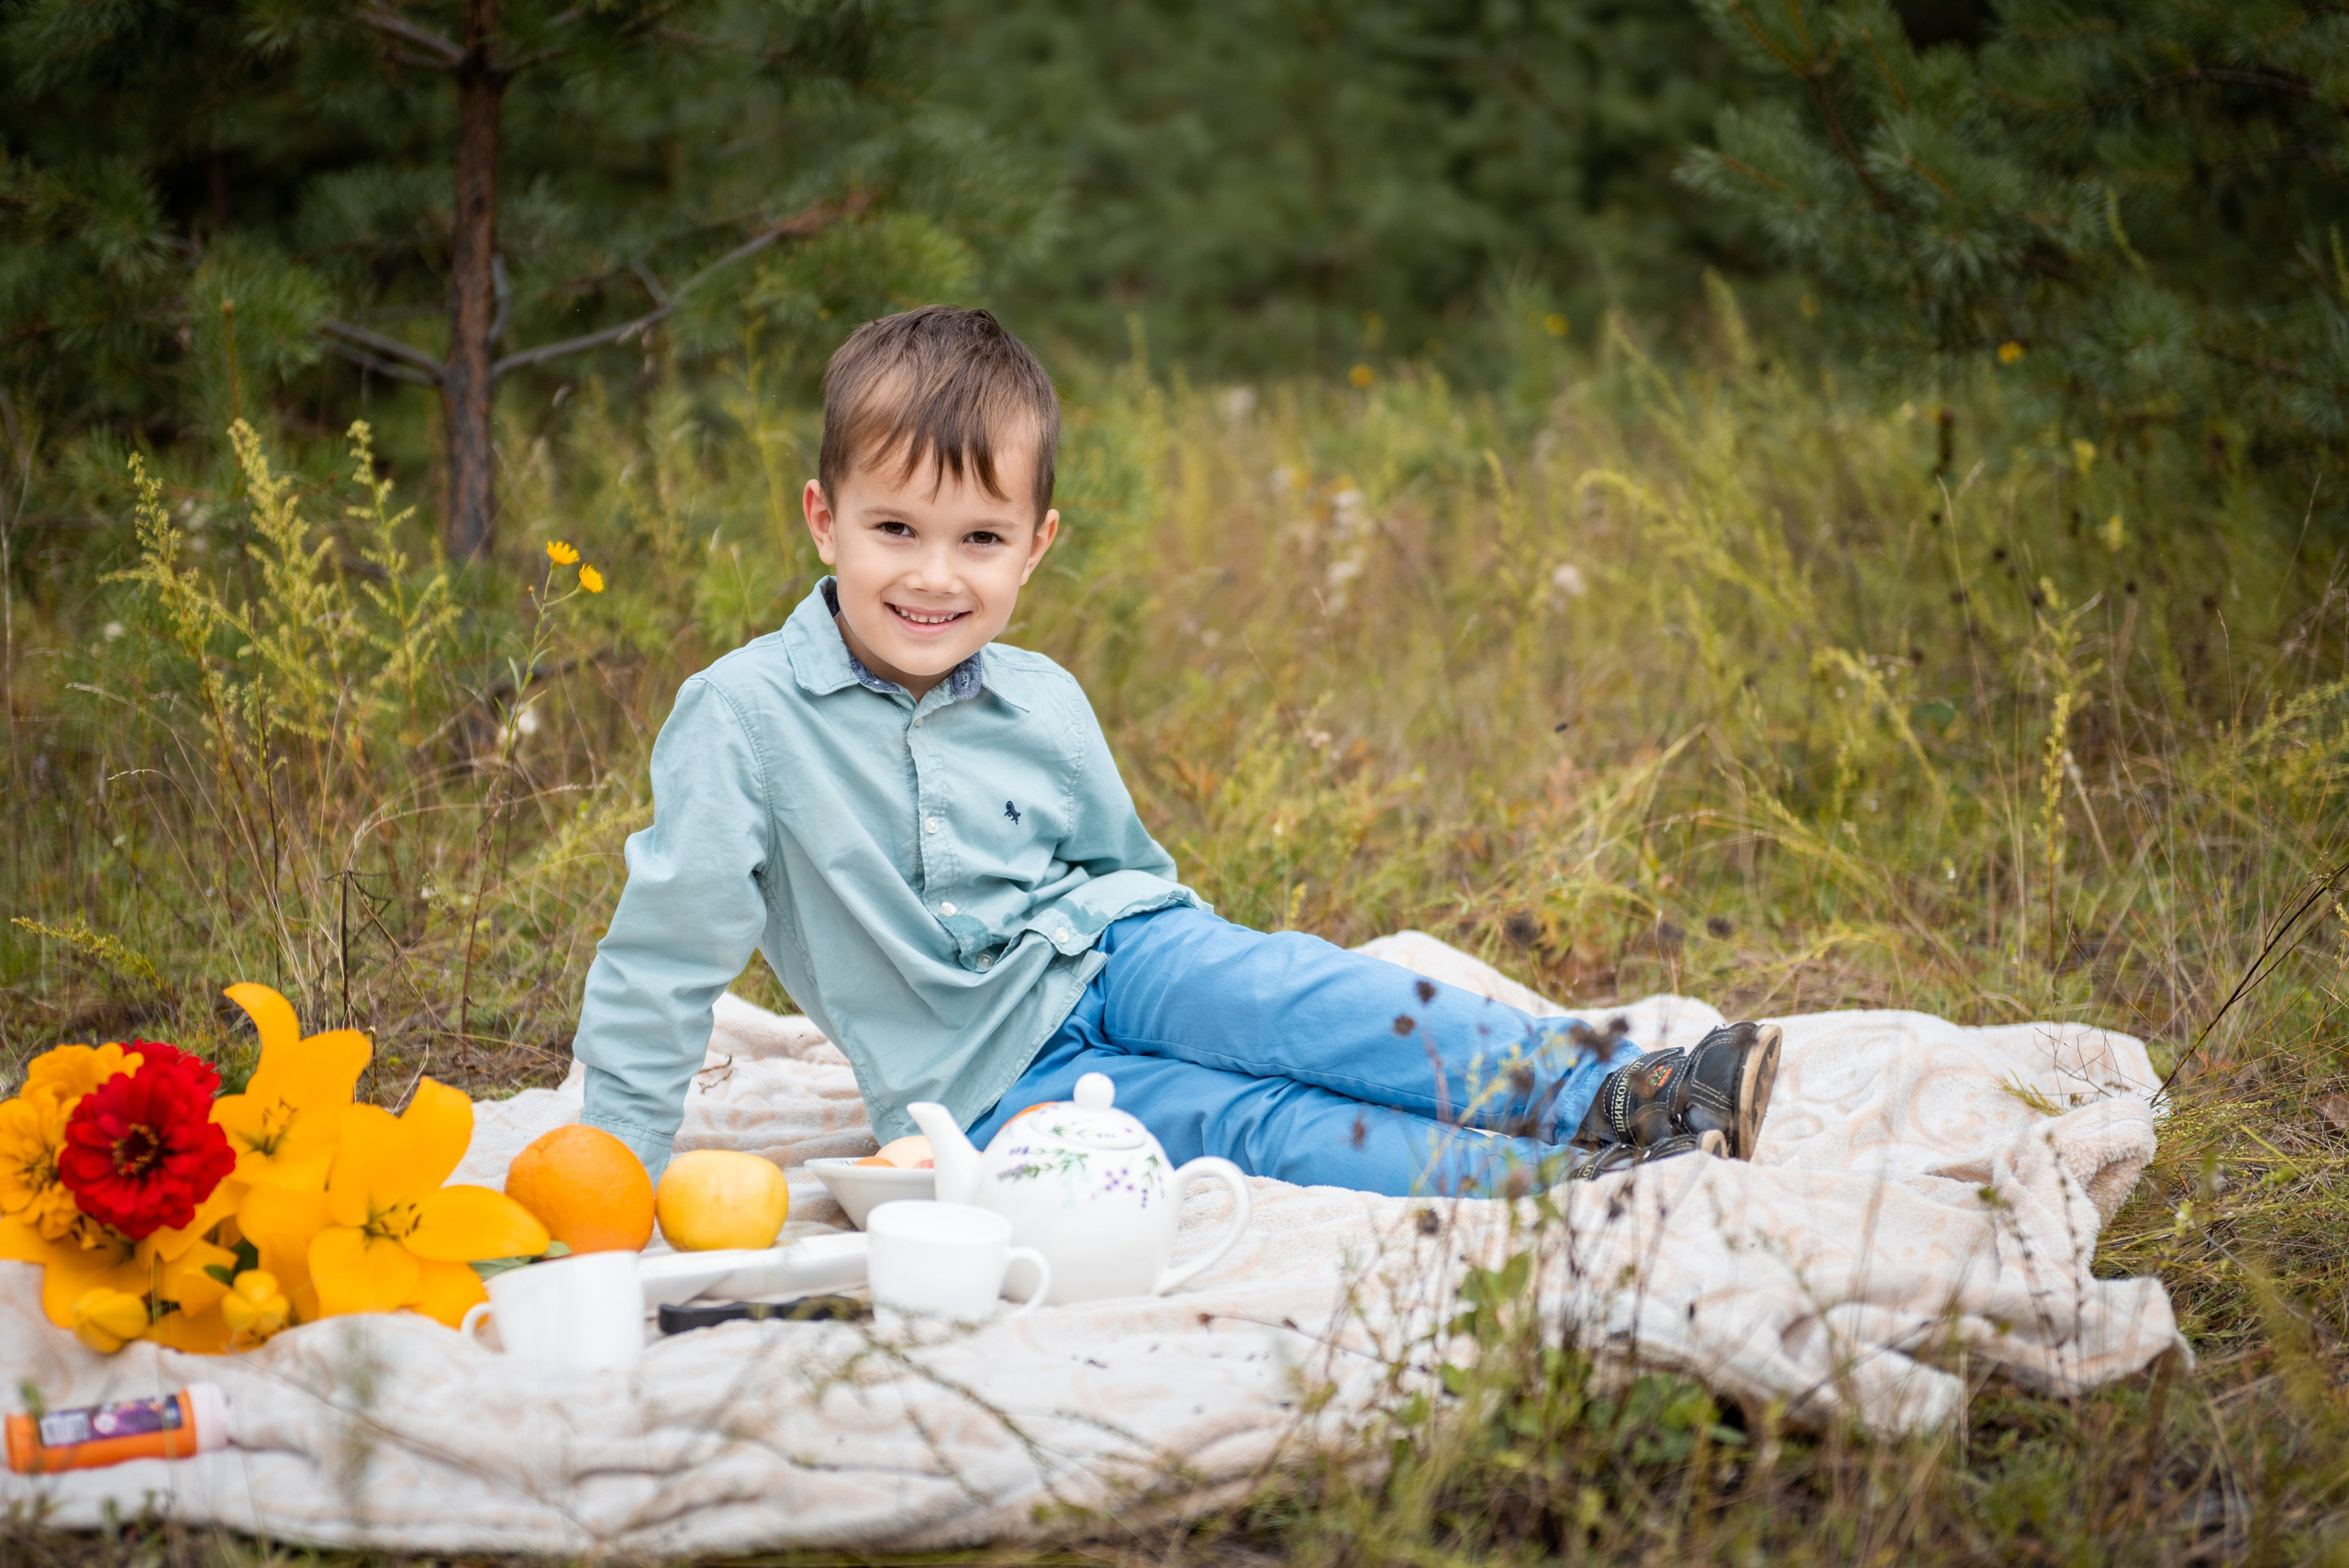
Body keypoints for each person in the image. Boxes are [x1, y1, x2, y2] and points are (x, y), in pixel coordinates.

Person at [573, 305, 1779, 1196]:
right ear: (823, 519)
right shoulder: (742, 717)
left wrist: (1202, 984)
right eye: (895, 527)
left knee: (1308, 1000)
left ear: (1035, 545)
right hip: (988, 1085)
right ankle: (1574, 1181)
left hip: (1121, 959)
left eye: (979, 537)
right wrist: (617, 1170)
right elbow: (664, 957)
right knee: (1251, 1125)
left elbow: (1126, 867)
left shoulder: (1040, 701)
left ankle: (1633, 1088)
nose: (934, 575)